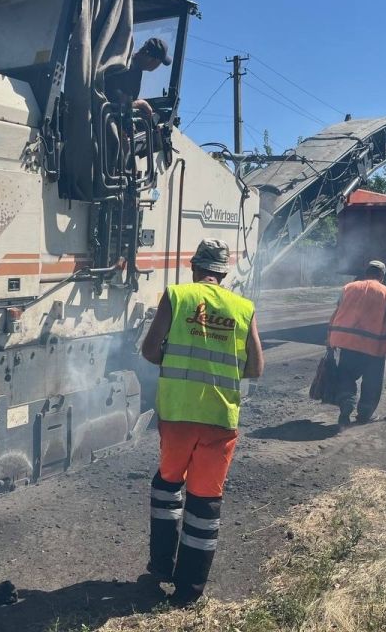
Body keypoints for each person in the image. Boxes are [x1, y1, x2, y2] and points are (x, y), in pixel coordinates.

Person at [140, 238, 264, 607]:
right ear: (223, 274)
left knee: (167, 487)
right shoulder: (244, 308)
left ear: (195, 268)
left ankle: (161, 567)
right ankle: (189, 591)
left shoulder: (176, 296)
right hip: (219, 420)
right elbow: (256, 368)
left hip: (178, 416)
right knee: (205, 503)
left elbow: (149, 351)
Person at [326, 259, 386, 430]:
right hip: (373, 347)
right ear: (382, 276)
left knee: (346, 376)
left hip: (348, 343)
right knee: (372, 381)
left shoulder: (348, 288)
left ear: (366, 273)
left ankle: (346, 405)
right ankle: (364, 414)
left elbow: (339, 308)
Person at [105, 37, 172, 118]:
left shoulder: (133, 66)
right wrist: (140, 104)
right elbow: (117, 105)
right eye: (159, 63)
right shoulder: (127, 67)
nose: (157, 66)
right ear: (152, 60)